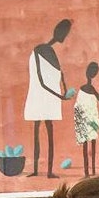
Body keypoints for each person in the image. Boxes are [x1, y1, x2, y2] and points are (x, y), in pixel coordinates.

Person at [24, 19, 73, 179]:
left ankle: (49, 170)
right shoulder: (39, 50)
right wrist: (61, 95)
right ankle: (37, 170)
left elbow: (61, 74)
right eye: (63, 33)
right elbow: (41, 80)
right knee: (37, 134)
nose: (64, 37)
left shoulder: (51, 53)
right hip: (39, 99)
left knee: (48, 134)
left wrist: (64, 92)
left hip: (50, 100)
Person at [74, 62, 99, 177]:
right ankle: (92, 171)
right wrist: (97, 118)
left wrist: (92, 119)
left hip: (86, 123)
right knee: (90, 147)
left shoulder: (81, 90)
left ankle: (88, 173)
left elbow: (77, 109)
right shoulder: (91, 90)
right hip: (91, 123)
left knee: (86, 148)